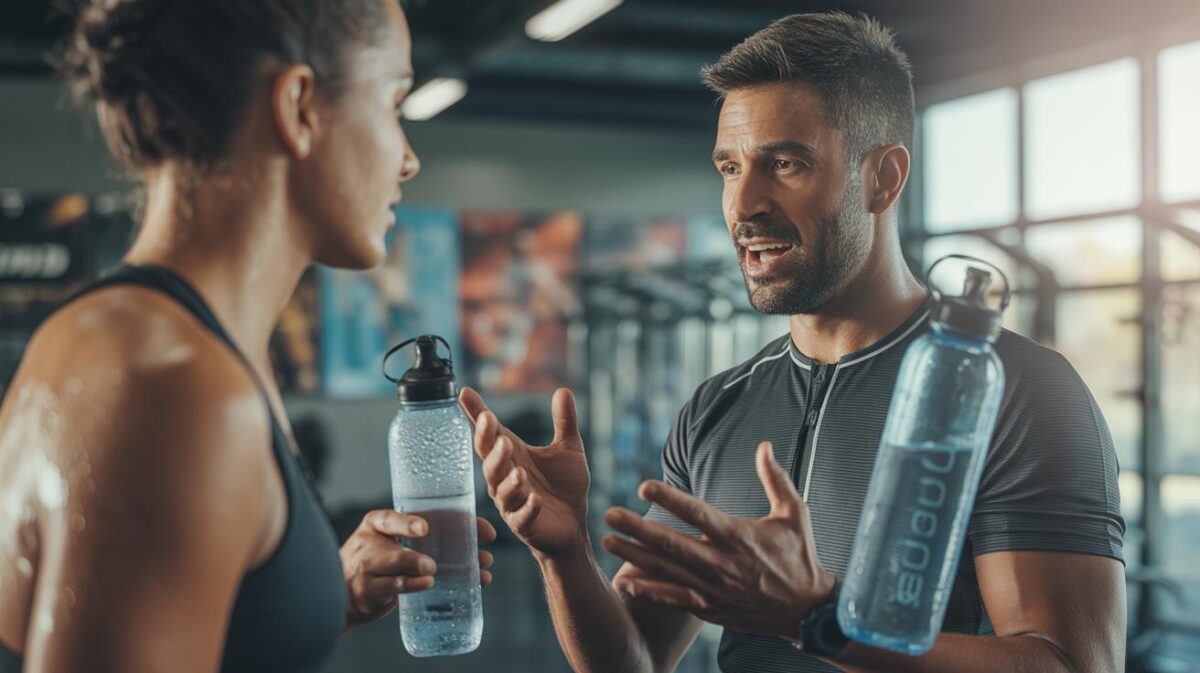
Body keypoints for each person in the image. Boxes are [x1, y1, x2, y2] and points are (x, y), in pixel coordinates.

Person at [461, 11, 1126, 673]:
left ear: (883, 179)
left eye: (785, 163)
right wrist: (564, 553)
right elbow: (633, 662)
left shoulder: (1017, 389)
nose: (744, 202)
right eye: (729, 166)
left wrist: (818, 619)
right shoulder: (717, 407)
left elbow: (1070, 664)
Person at [0, 1, 495, 671]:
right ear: (298, 106)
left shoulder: (172, 346)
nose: (407, 159)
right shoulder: (167, 381)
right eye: (392, 103)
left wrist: (320, 597)